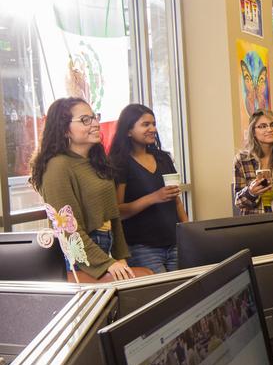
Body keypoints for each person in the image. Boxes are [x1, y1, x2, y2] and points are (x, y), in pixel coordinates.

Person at [29, 97, 135, 281]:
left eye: (95, 117)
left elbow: (113, 216)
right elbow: (68, 229)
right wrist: (107, 263)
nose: (95, 124)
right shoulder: (57, 166)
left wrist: (121, 256)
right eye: (86, 120)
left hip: (104, 247)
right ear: (64, 130)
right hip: (80, 253)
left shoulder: (96, 161)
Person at [109, 104, 187, 273]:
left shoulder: (163, 158)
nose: (153, 129)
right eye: (146, 124)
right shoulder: (120, 163)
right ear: (128, 131)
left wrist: (188, 231)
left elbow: (177, 202)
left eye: (154, 123)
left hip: (175, 242)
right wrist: (154, 197)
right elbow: (118, 211)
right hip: (142, 248)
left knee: (183, 294)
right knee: (161, 295)